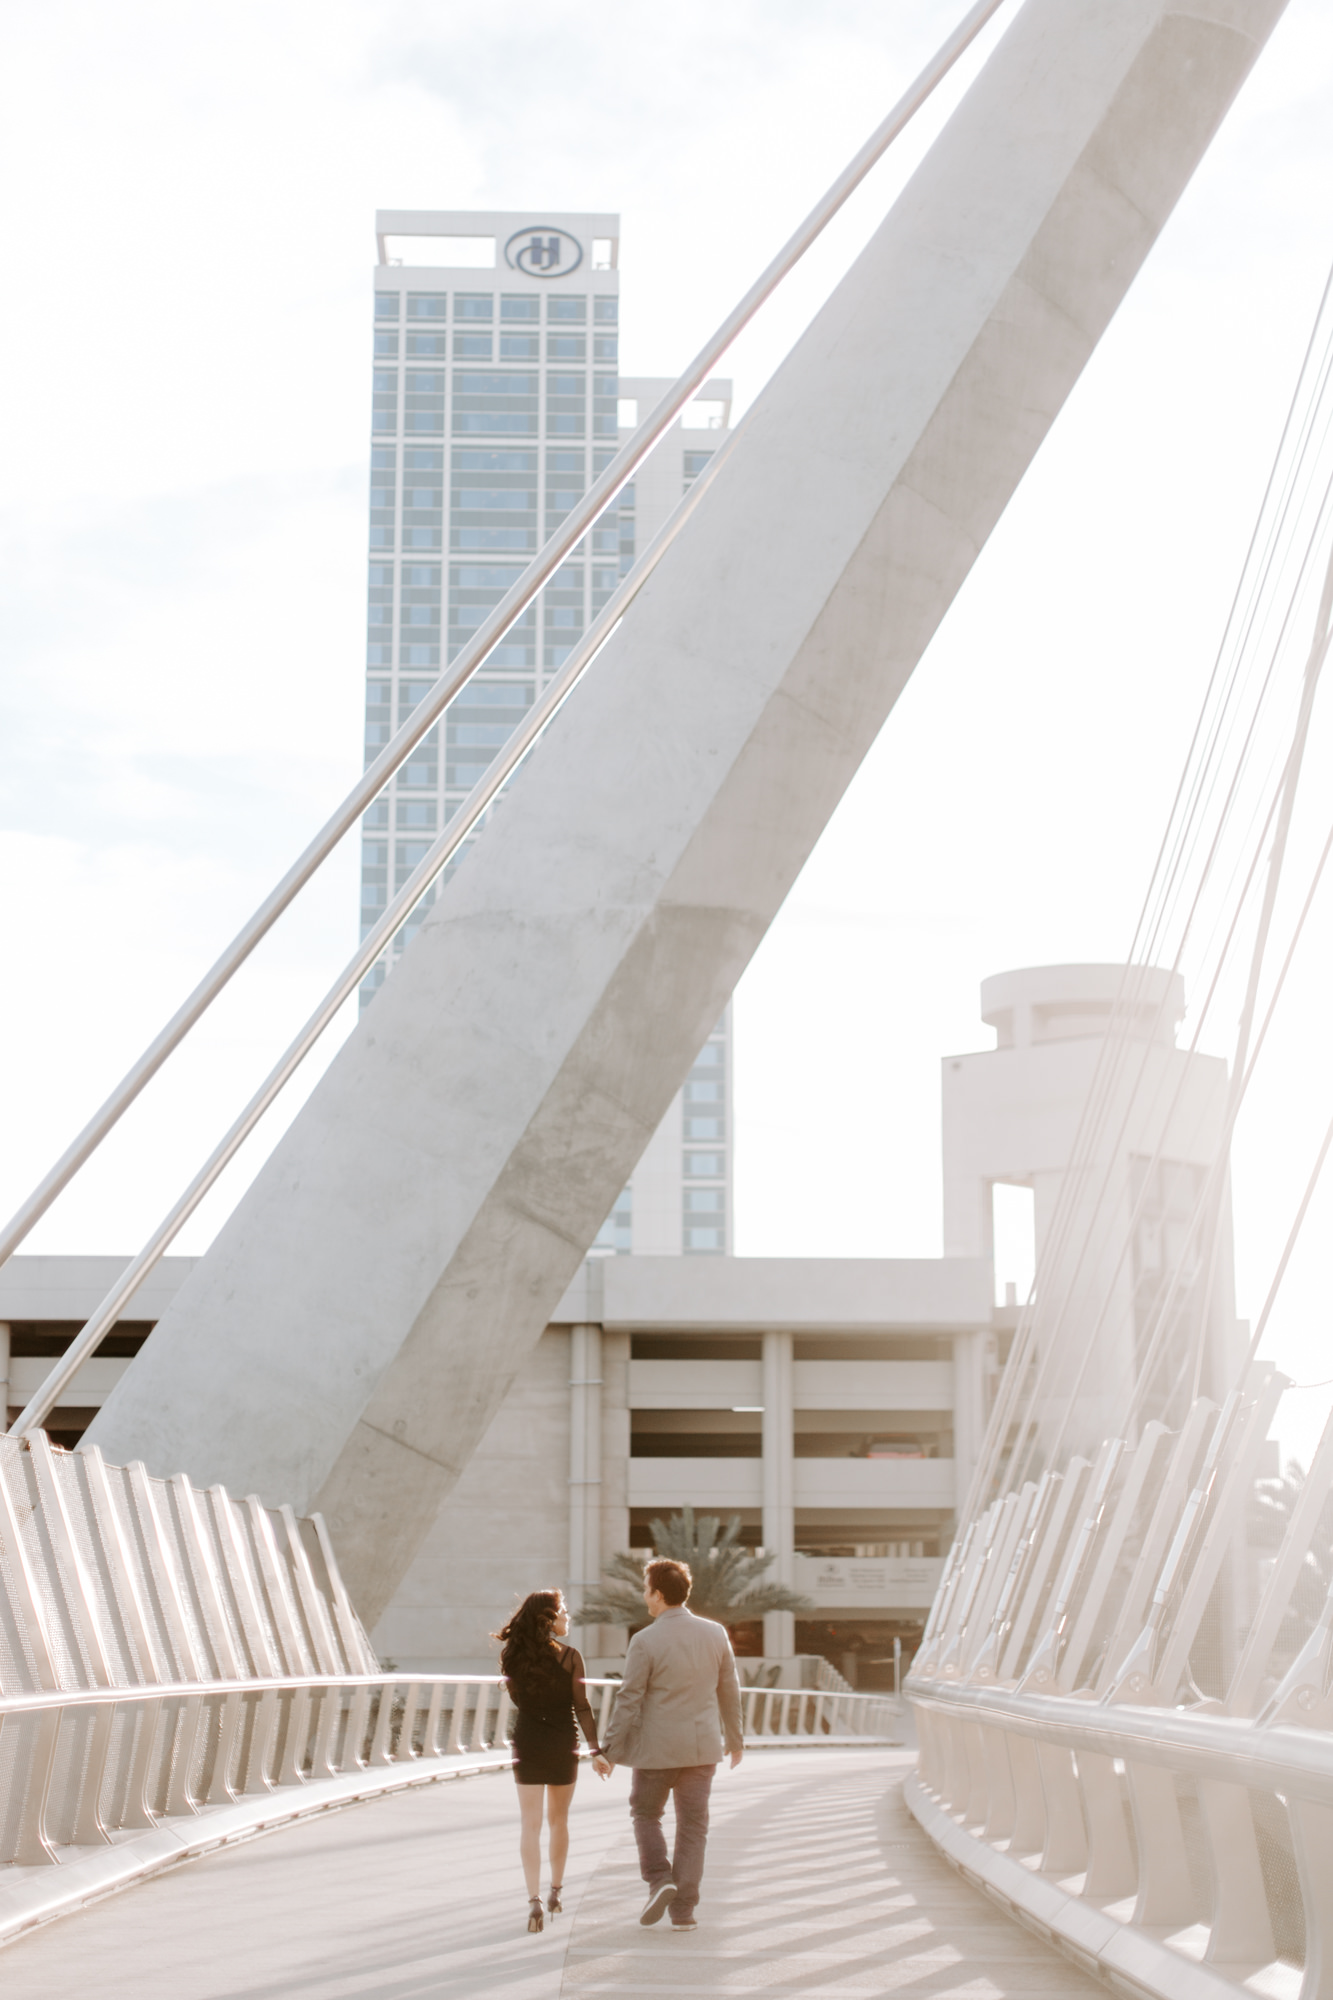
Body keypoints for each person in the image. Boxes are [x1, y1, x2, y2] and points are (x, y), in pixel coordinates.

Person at [600, 1556, 743, 1931]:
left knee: (646, 1815)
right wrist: (736, 1740)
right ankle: (684, 1912)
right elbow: (730, 1690)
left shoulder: (645, 1640)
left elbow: (629, 1699)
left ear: (658, 1594)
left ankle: (660, 1879)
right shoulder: (715, 1633)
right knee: (694, 1827)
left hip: (657, 1751)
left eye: (646, 1590)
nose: (644, 1596)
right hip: (702, 1750)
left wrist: (610, 1750)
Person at [495, 1590, 611, 1933]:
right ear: (549, 1618)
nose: (568, 1617)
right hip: (563, 1743)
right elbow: (583, 1708)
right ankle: (556, 1892)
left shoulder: (513, 1655)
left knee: (529, 1824)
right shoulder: (571, 1657)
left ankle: (534, 1901)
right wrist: (596, 1751)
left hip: (528, 1741)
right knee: (559, 1821)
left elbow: (519, 1700)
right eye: (563, 1612)